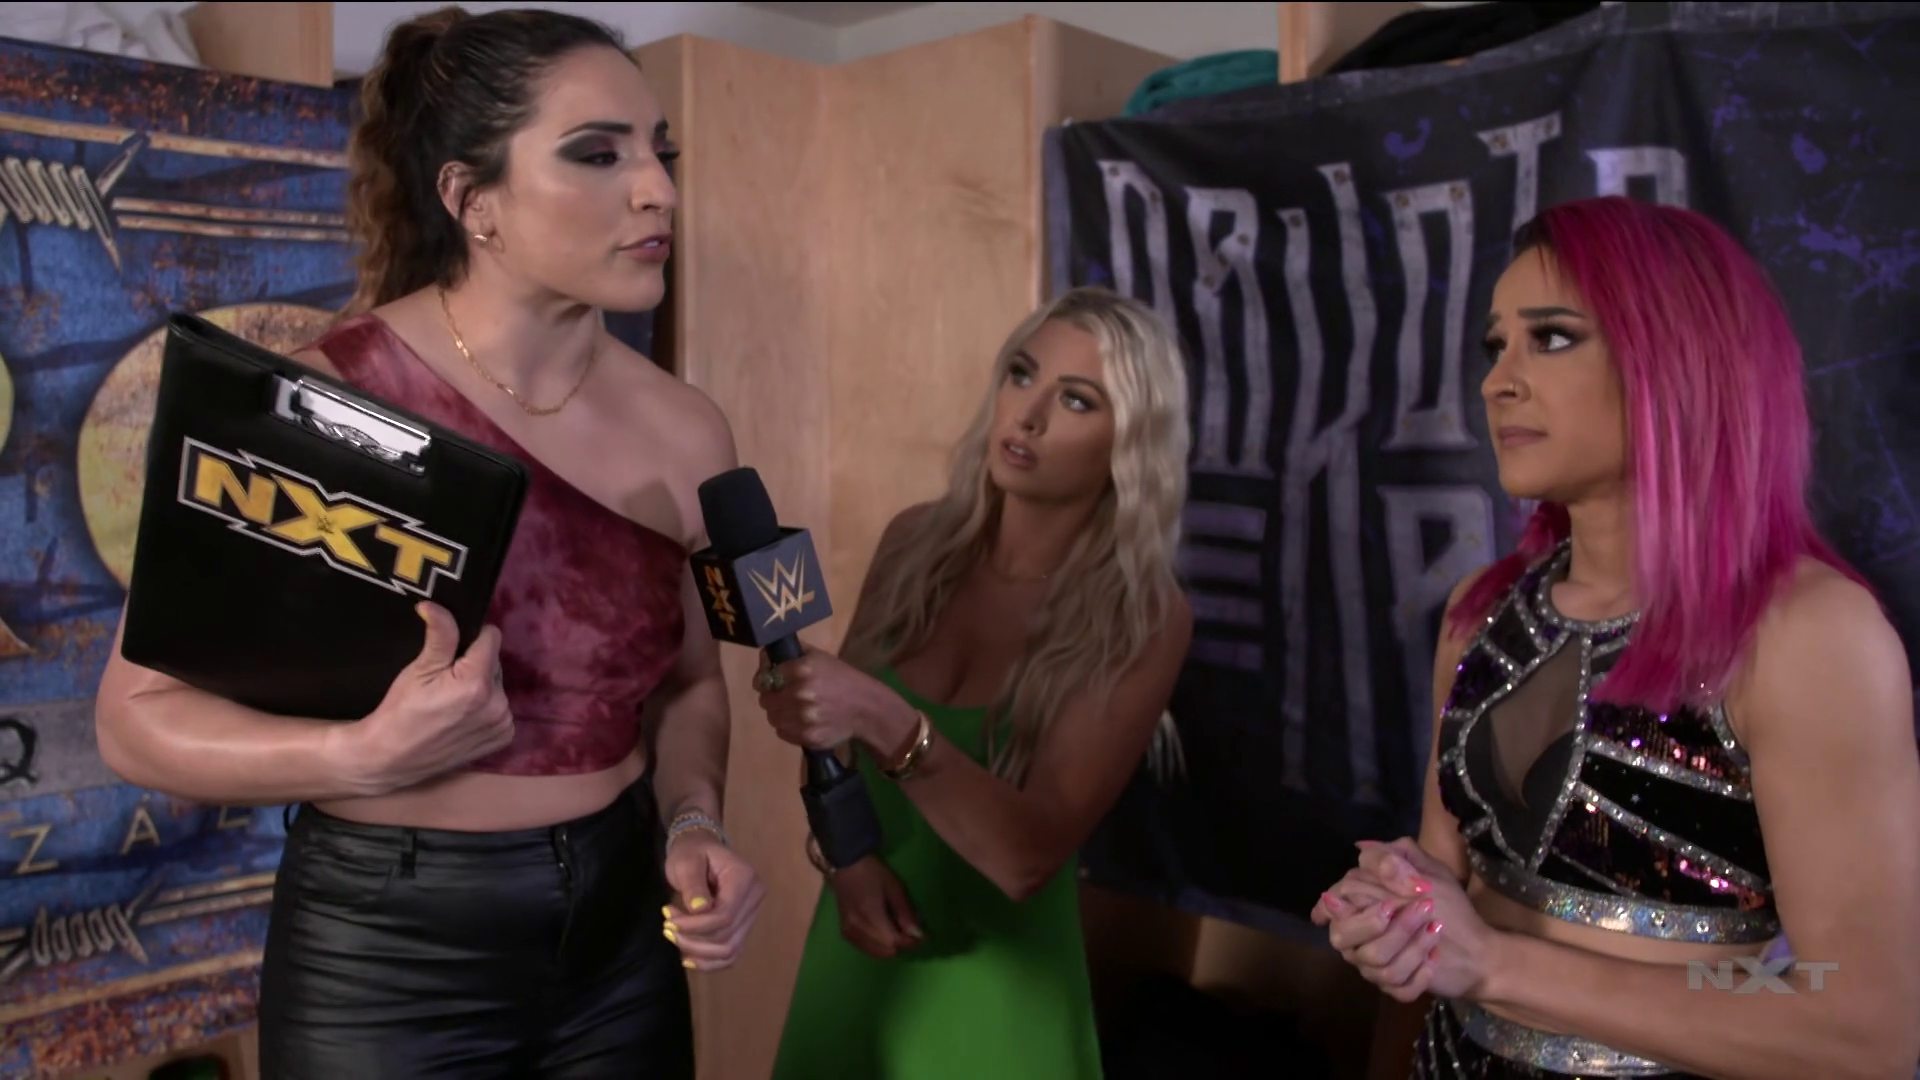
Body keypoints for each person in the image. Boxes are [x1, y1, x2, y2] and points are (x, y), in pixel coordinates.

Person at [93, 8, 765, 1077]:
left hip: (620, 946)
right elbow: (134, 721)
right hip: (387, 955)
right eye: (599, 155)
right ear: (472, 199)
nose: (659, 191)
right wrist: (354, 756)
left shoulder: (691, 432)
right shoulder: (320, 405)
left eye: (660, 153)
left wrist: (693, 822)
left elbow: (690, 686)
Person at [1311, 196, 1920, 1079]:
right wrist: (1396, 914)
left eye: (1552, 337)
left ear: (1677, 358)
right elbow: (1443, 904)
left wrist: (1496, 964)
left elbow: (1867, 1026)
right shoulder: (1482, 614)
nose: (1498, 381)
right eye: (1495, 346)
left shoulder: (1805, 636)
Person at [752, 286, 1195, 1079]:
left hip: (998, 995)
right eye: (1022, 375)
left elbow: (1026, 858)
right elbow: (832, 749)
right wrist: (846, 863)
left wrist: (884, 718)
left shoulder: (1142, 615)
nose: (1028, 416)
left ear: (1130, 441)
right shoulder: (914, 542)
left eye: (1076, 400)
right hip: (856, 956)